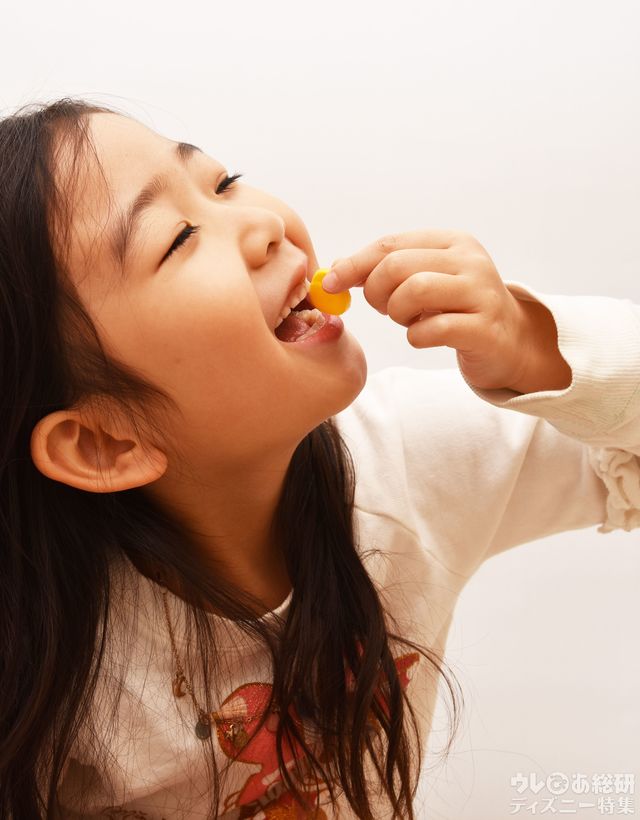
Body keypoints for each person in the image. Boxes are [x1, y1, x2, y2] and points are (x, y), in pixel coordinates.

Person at [0, 97, 638, 820]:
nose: (264, 224)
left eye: (222, 183)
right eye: (177, 238)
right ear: (103, 443)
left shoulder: (405, 462)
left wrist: (533, 344)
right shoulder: (53, 662)